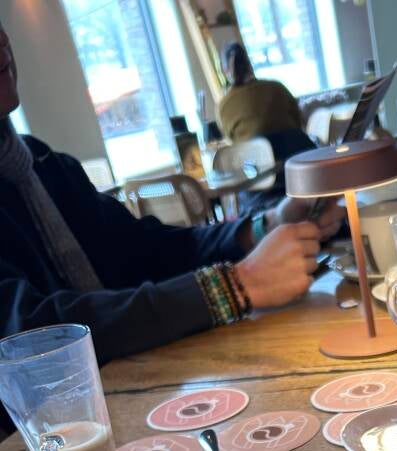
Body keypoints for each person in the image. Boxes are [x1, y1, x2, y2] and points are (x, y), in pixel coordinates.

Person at [0, 21, 342, 382]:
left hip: (138, 382)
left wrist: (264, 225)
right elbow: (30, 333)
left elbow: (147, 248)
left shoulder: (48, 165)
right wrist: (237, 285)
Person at [218, 43, 304, 145]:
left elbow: (233, 141)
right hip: (298, 149)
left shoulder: (225, 105)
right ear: (249, 63)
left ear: (224, 70)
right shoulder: (277, 87)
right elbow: (299, 120)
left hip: (256, 155)